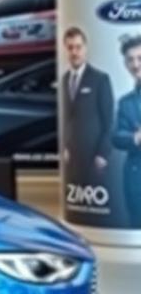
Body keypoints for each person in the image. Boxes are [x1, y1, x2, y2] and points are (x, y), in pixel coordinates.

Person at [61, 26, 113, 192]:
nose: (74, 52)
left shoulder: (100, 79)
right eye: (70, 48)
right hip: (71, 159)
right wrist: (64, 147)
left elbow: (109, 121)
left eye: (78, 47)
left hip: (94, 158)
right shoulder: (64, 80)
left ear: (85, 48)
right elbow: (66, 119)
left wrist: (102, 154)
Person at [112, 34, 141, 227]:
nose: (135, 64)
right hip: (136, 178)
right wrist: (136, 138)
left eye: (140, 58)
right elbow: (116, 137)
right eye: (130, 60)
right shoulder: (125, 102)